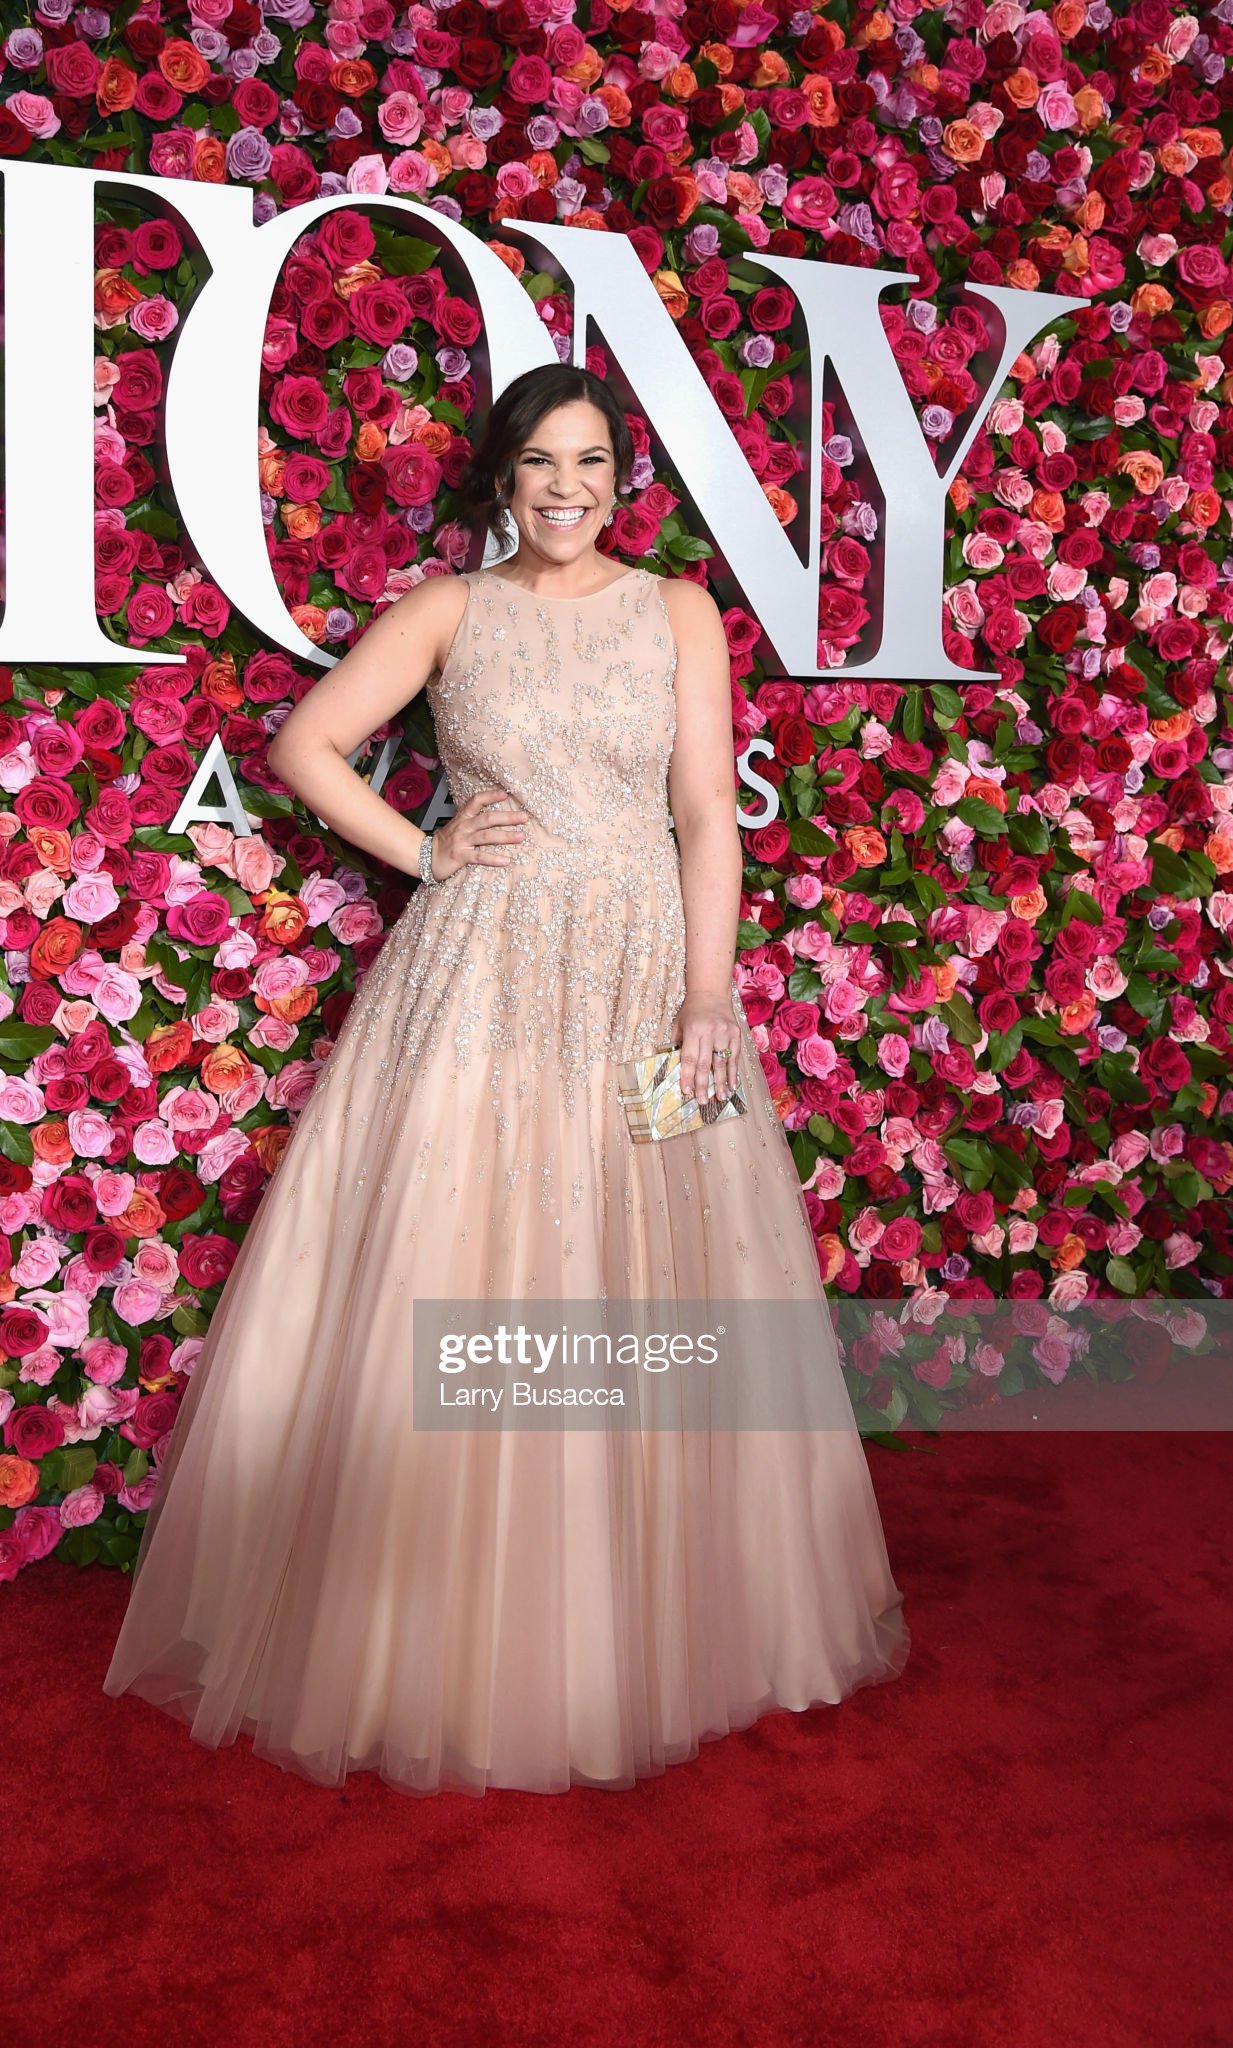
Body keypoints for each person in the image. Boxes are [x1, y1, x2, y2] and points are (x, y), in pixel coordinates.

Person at [102, 363, 910, 1793]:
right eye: (541, 461)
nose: (567, 488)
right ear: (497, 475)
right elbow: (303, 745)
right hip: (479, 972)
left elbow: (705, 813)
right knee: (466, 1252)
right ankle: (449, 1646)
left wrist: (707, 994)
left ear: (619, 477)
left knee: (662, 1272)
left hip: (645, 980)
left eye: (591, 462)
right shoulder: (445, 612)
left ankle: (660, 1616)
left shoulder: (674, 612)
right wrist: (423, 852)